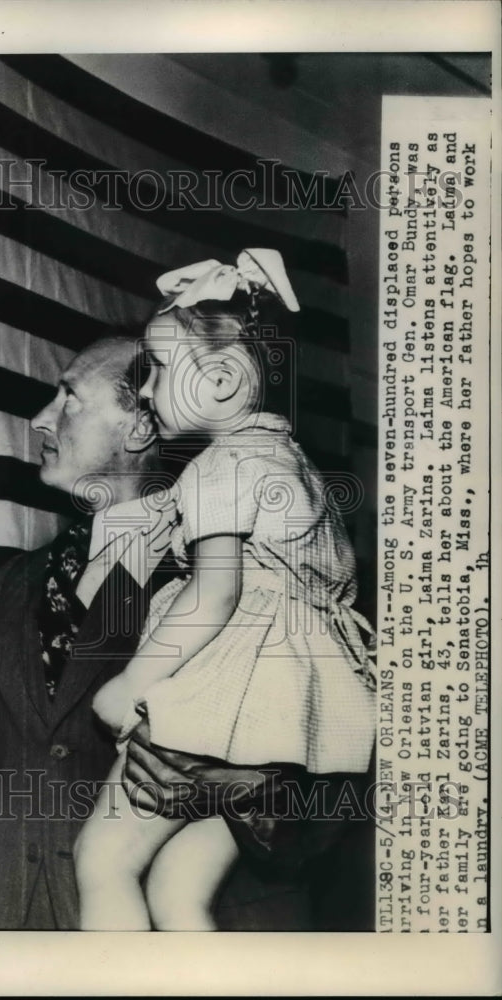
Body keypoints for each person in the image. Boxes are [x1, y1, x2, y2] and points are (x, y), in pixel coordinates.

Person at [0, 334, 329, 930]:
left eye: (68, 397)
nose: (41, 419)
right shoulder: (21, 582)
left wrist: (231, 790)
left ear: (142, 425)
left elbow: (333, 774)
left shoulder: (249, 572)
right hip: (15, 932)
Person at [74, 251, 377, 930]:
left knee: (104, 861)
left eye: (154, 368)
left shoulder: (221, 467)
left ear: (218, 380)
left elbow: (212, 596)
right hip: (290, 729)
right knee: (179, 891)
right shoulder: (291, 463)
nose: (144, 390)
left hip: (220, 700)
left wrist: (132, 682)